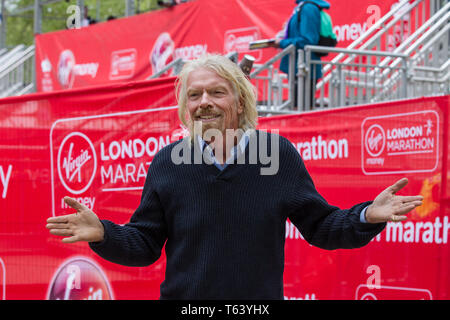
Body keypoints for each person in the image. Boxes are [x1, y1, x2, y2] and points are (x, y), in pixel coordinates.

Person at [46, 54, 423, 300]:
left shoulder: (277, 156)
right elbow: (145, 244)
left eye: (216, 92)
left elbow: (321, 226)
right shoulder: (167, 163)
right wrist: (104, 233)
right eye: (194, 95)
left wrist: (366, 216)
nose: (203, 102)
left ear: (239, 101)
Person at [270, 0, 331, 109]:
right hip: (299, 67)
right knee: (299, 109)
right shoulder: (303, 6)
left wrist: (282, 43)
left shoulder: (308, 8)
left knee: (301, 111)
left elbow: (308, 40)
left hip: (304, 68)